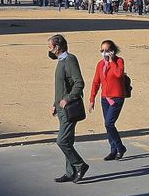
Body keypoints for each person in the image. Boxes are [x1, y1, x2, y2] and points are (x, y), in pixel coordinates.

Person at [49, 34, 89, 182]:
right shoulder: (60, 61)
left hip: (69, 108)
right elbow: (61, 88)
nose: (49, 50)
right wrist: (55, 104)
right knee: (68, 141)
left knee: (62, 141)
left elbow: (79, 83)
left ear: (58, 47)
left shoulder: (70, 60)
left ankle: (79, 165)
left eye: (51, 46)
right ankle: (70, 172)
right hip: (61, 109)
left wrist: (67, 99)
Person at [89, 38, 129, 161]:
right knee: (108, 125)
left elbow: (118, 75)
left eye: (107, 50)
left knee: (109, 123)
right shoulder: (100, 65)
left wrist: (112, 61)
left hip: (117, 97)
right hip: (105, 98)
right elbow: (96, 82)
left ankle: (120, 147)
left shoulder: (119, 61)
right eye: (102, 50)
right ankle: (113, 150)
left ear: (113, 51)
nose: (104, 53)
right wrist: (92, 99)